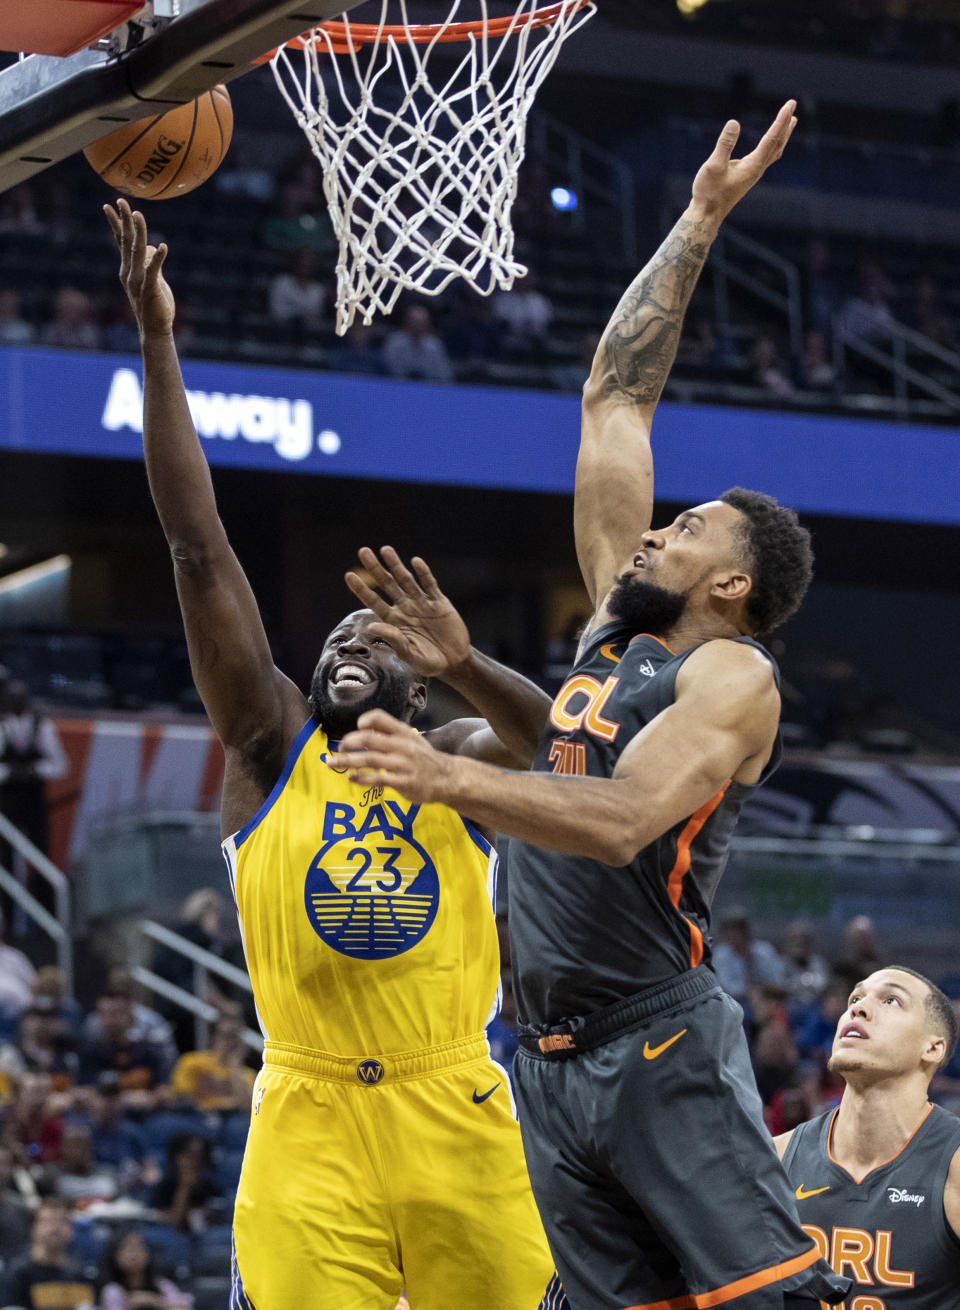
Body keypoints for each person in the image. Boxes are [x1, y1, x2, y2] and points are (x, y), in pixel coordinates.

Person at [334, 103, 850, 1308]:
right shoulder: (614, 632)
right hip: (551, 1050)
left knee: (768, 1298)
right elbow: (614, 401)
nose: (659, 525)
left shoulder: (732, 676)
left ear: (731, 584)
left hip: (655, 1039)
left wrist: (445, 774)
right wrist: (701, 216)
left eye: (688, 528)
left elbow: (618, 818)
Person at [102, 196, 559, 1310]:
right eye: (337, 632)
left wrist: (461, 661)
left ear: (414, 678)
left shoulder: (449, 749)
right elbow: (196, 549)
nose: (351, 640)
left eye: (377, 637)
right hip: (307, 1111)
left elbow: (561, 746)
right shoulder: (267, 744)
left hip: (454, 1099)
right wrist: (159, 343)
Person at [776, 966, 960, 1305]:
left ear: (932, 1048)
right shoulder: (774, 1158)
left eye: (891, 1000)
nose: (857, 1008)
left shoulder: (954, 1168)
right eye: (855, 998)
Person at [1, 1197, 94, 1310]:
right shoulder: (16, 1274)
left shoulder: (80, 1273)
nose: (55, 1227)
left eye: (62, 1221)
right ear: (34, 1229)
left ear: (72, 1230)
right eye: (48, 1221)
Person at [96, 1229, 193, 1310]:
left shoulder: (161, 1284)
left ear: (148, 1253)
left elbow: (184, 1307)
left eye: (138, 1247)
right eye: (126, 1248)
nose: (134, 1255)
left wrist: (152, 1300)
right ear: (115, 1256)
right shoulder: (113, 1290)